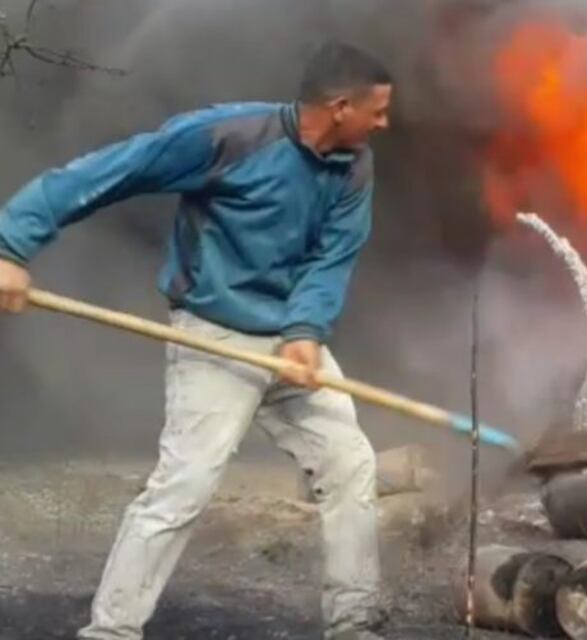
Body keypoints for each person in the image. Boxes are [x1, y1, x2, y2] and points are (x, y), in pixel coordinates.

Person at [0, 42, 392, 640]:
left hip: (292, 344)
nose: (385, 123)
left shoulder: (354, 165)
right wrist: (9, 245)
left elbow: (331, 260)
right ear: (341, 107)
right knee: (184, 486)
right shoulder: (226, 137)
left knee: (350, 463)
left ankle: (353, 622)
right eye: (378, 111)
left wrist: (305, 333)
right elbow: (108, 172)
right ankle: (111, 631)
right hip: (215, 337)